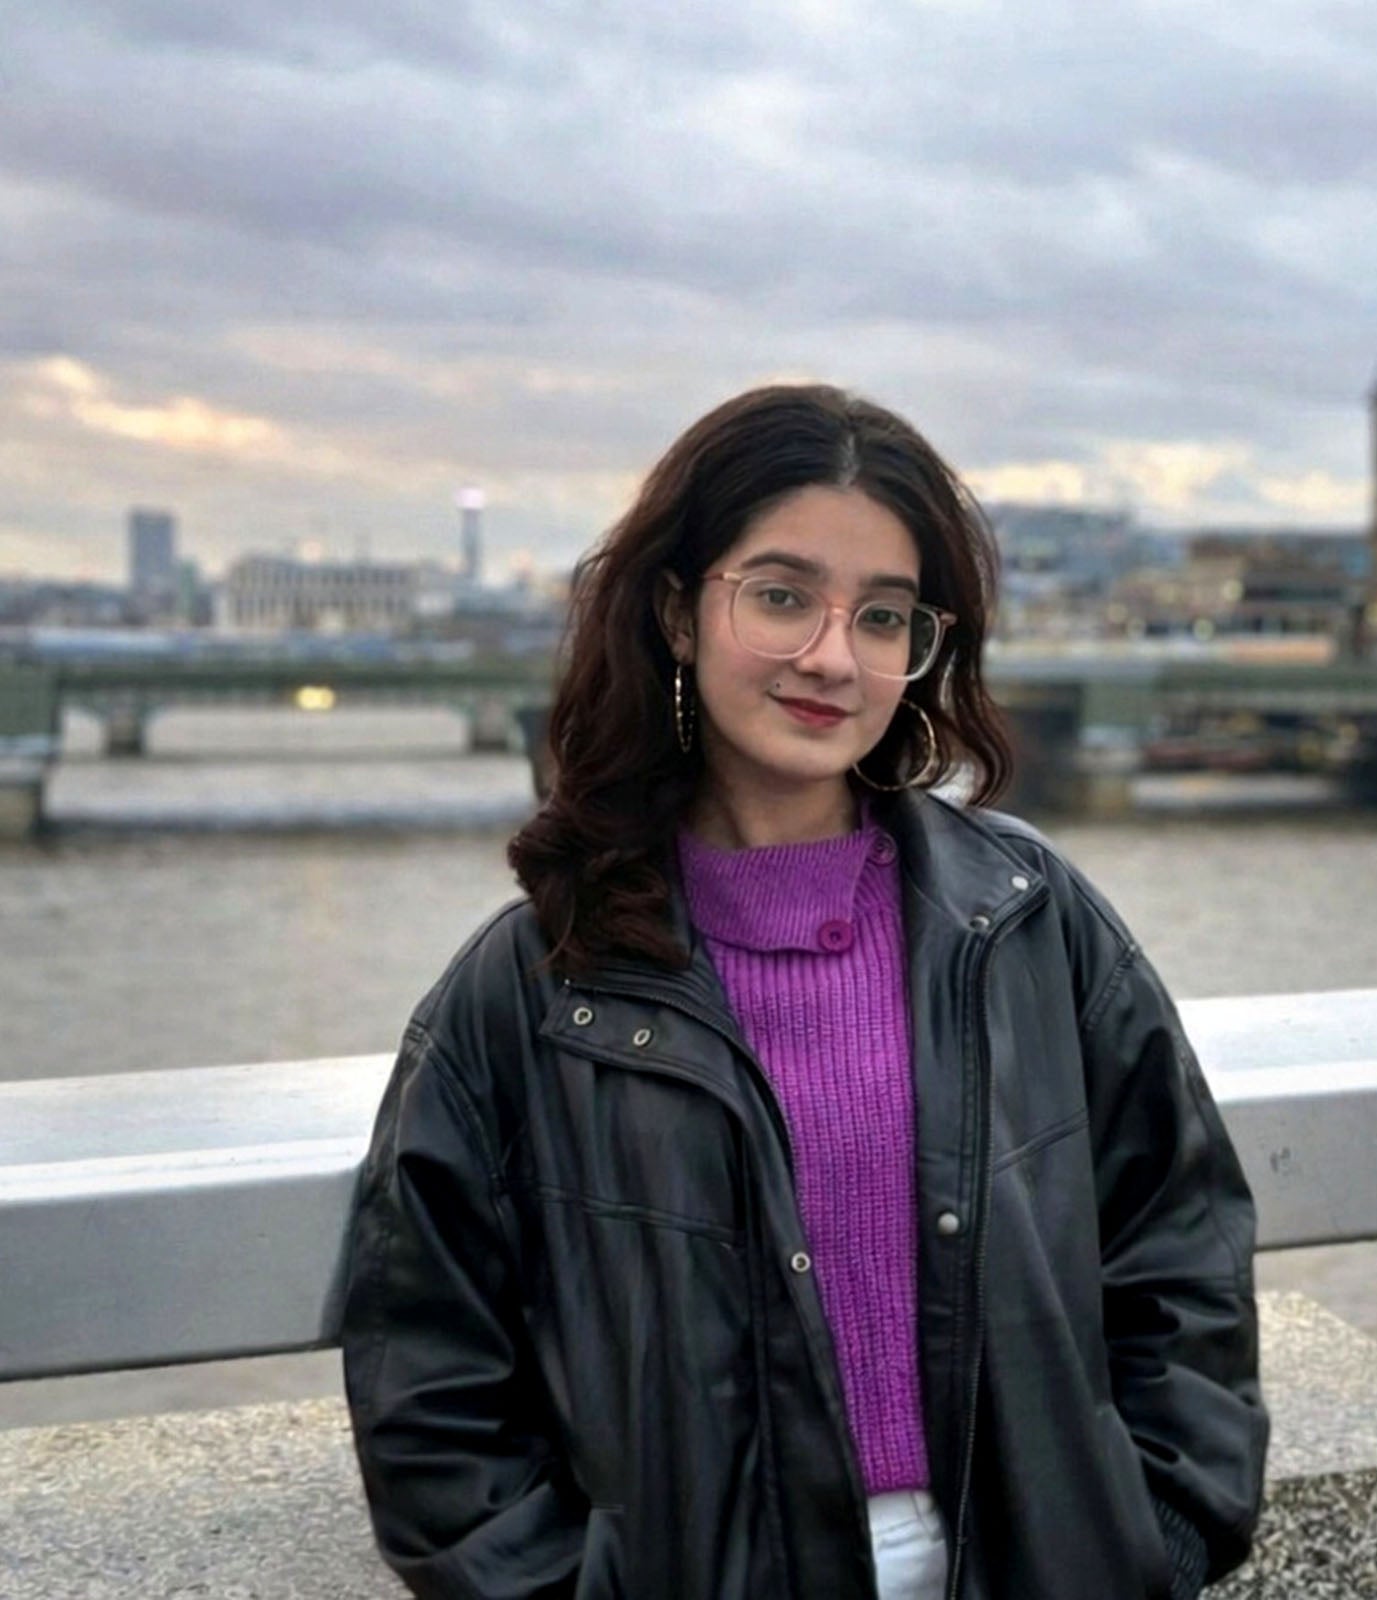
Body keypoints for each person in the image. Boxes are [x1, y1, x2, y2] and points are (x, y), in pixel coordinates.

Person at [339, 384, 1267, 1599]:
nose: (833, 656)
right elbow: (430, 1380)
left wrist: (1157, 1535)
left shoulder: (1030, 922)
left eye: (883, 617)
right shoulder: (529, 992)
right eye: (782, 596)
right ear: (678, 611)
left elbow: (1181, 1251)